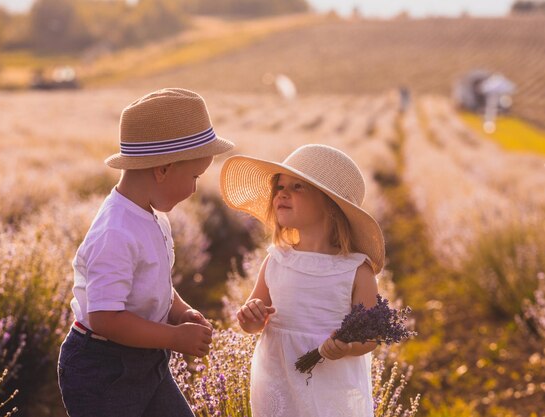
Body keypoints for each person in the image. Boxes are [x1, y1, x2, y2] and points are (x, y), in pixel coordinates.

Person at [58, 88, 234, 417]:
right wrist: (173, 337)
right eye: (194, 176)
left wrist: (181, 312)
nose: (196, 188)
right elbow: (105, 318)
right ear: (163, 169)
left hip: (147, 359)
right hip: (103, 370)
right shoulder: (115, 232)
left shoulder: (152, 217)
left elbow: (155, 283)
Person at [220, 144, 385, 417]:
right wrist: (250, 317)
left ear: (331, 205)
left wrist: (347, 347)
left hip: (331, 383)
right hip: (277, 378)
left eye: (297, 186)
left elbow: (370, 337)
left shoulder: (356, 270)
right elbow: (252, 321)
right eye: (280, 186)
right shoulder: (277, 260)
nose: (282, 193)